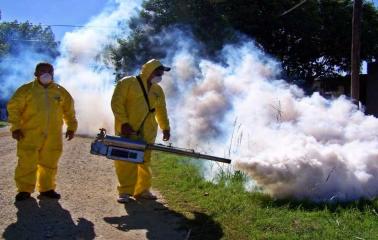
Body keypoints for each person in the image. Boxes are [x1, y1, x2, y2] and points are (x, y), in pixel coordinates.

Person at [7, 62, 78, 202]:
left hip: (53, 135)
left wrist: (71, 127)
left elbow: (69, 111)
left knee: (50, 162)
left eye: (49, 71)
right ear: (35, 74)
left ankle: (47, 189)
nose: (46, 74)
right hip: (29, 134)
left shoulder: (60, 92)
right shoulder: (26, 90)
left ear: (53, 73)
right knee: (27, 162)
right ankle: (24, 190)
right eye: (42, 71)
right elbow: (14, 109)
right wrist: (15, 127)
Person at [111, 59, 171, 203]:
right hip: (128, 130)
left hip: (148, 131)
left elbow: (161, 111)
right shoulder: (128, 82)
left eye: (162, 72)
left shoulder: (158, 90)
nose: (161, 75)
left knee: (144, 161)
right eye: (158, 71)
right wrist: (123, 123)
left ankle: (143, 190)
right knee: (126, 161)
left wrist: (165, 127)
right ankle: (125, 192)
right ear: (150, 70)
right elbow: (116, 103)